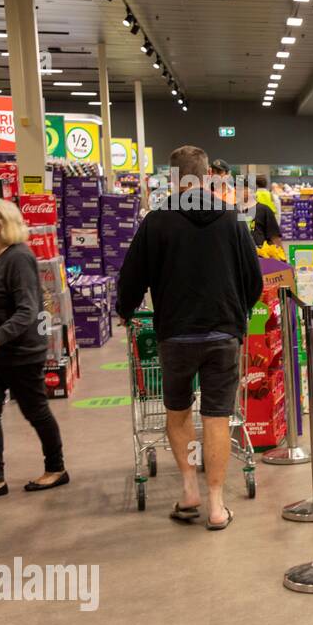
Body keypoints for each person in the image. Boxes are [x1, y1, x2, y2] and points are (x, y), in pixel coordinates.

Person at [117, 146, 263, 530]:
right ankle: (216, 505)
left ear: (175, 178)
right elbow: (255, 280)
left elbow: (132, 276)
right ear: (207, 176)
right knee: (217, 416)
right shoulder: (232, 220)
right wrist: (238, 313)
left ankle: (189, 491)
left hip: (175, 334)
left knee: (177, 411)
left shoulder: (156, 222)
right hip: (222, 333)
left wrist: (126, 310)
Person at [0, 199, 67, 495]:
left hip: (21, 352)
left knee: (35, 410)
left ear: (1, 225)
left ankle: (56, 467)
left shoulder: (18, 257)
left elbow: (27, 311)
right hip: (0, 352)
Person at [244, 181, 282, 249]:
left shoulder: (264, 210)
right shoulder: (234, 212)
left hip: (261, 254)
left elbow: (274, 237)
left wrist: (280, 257)